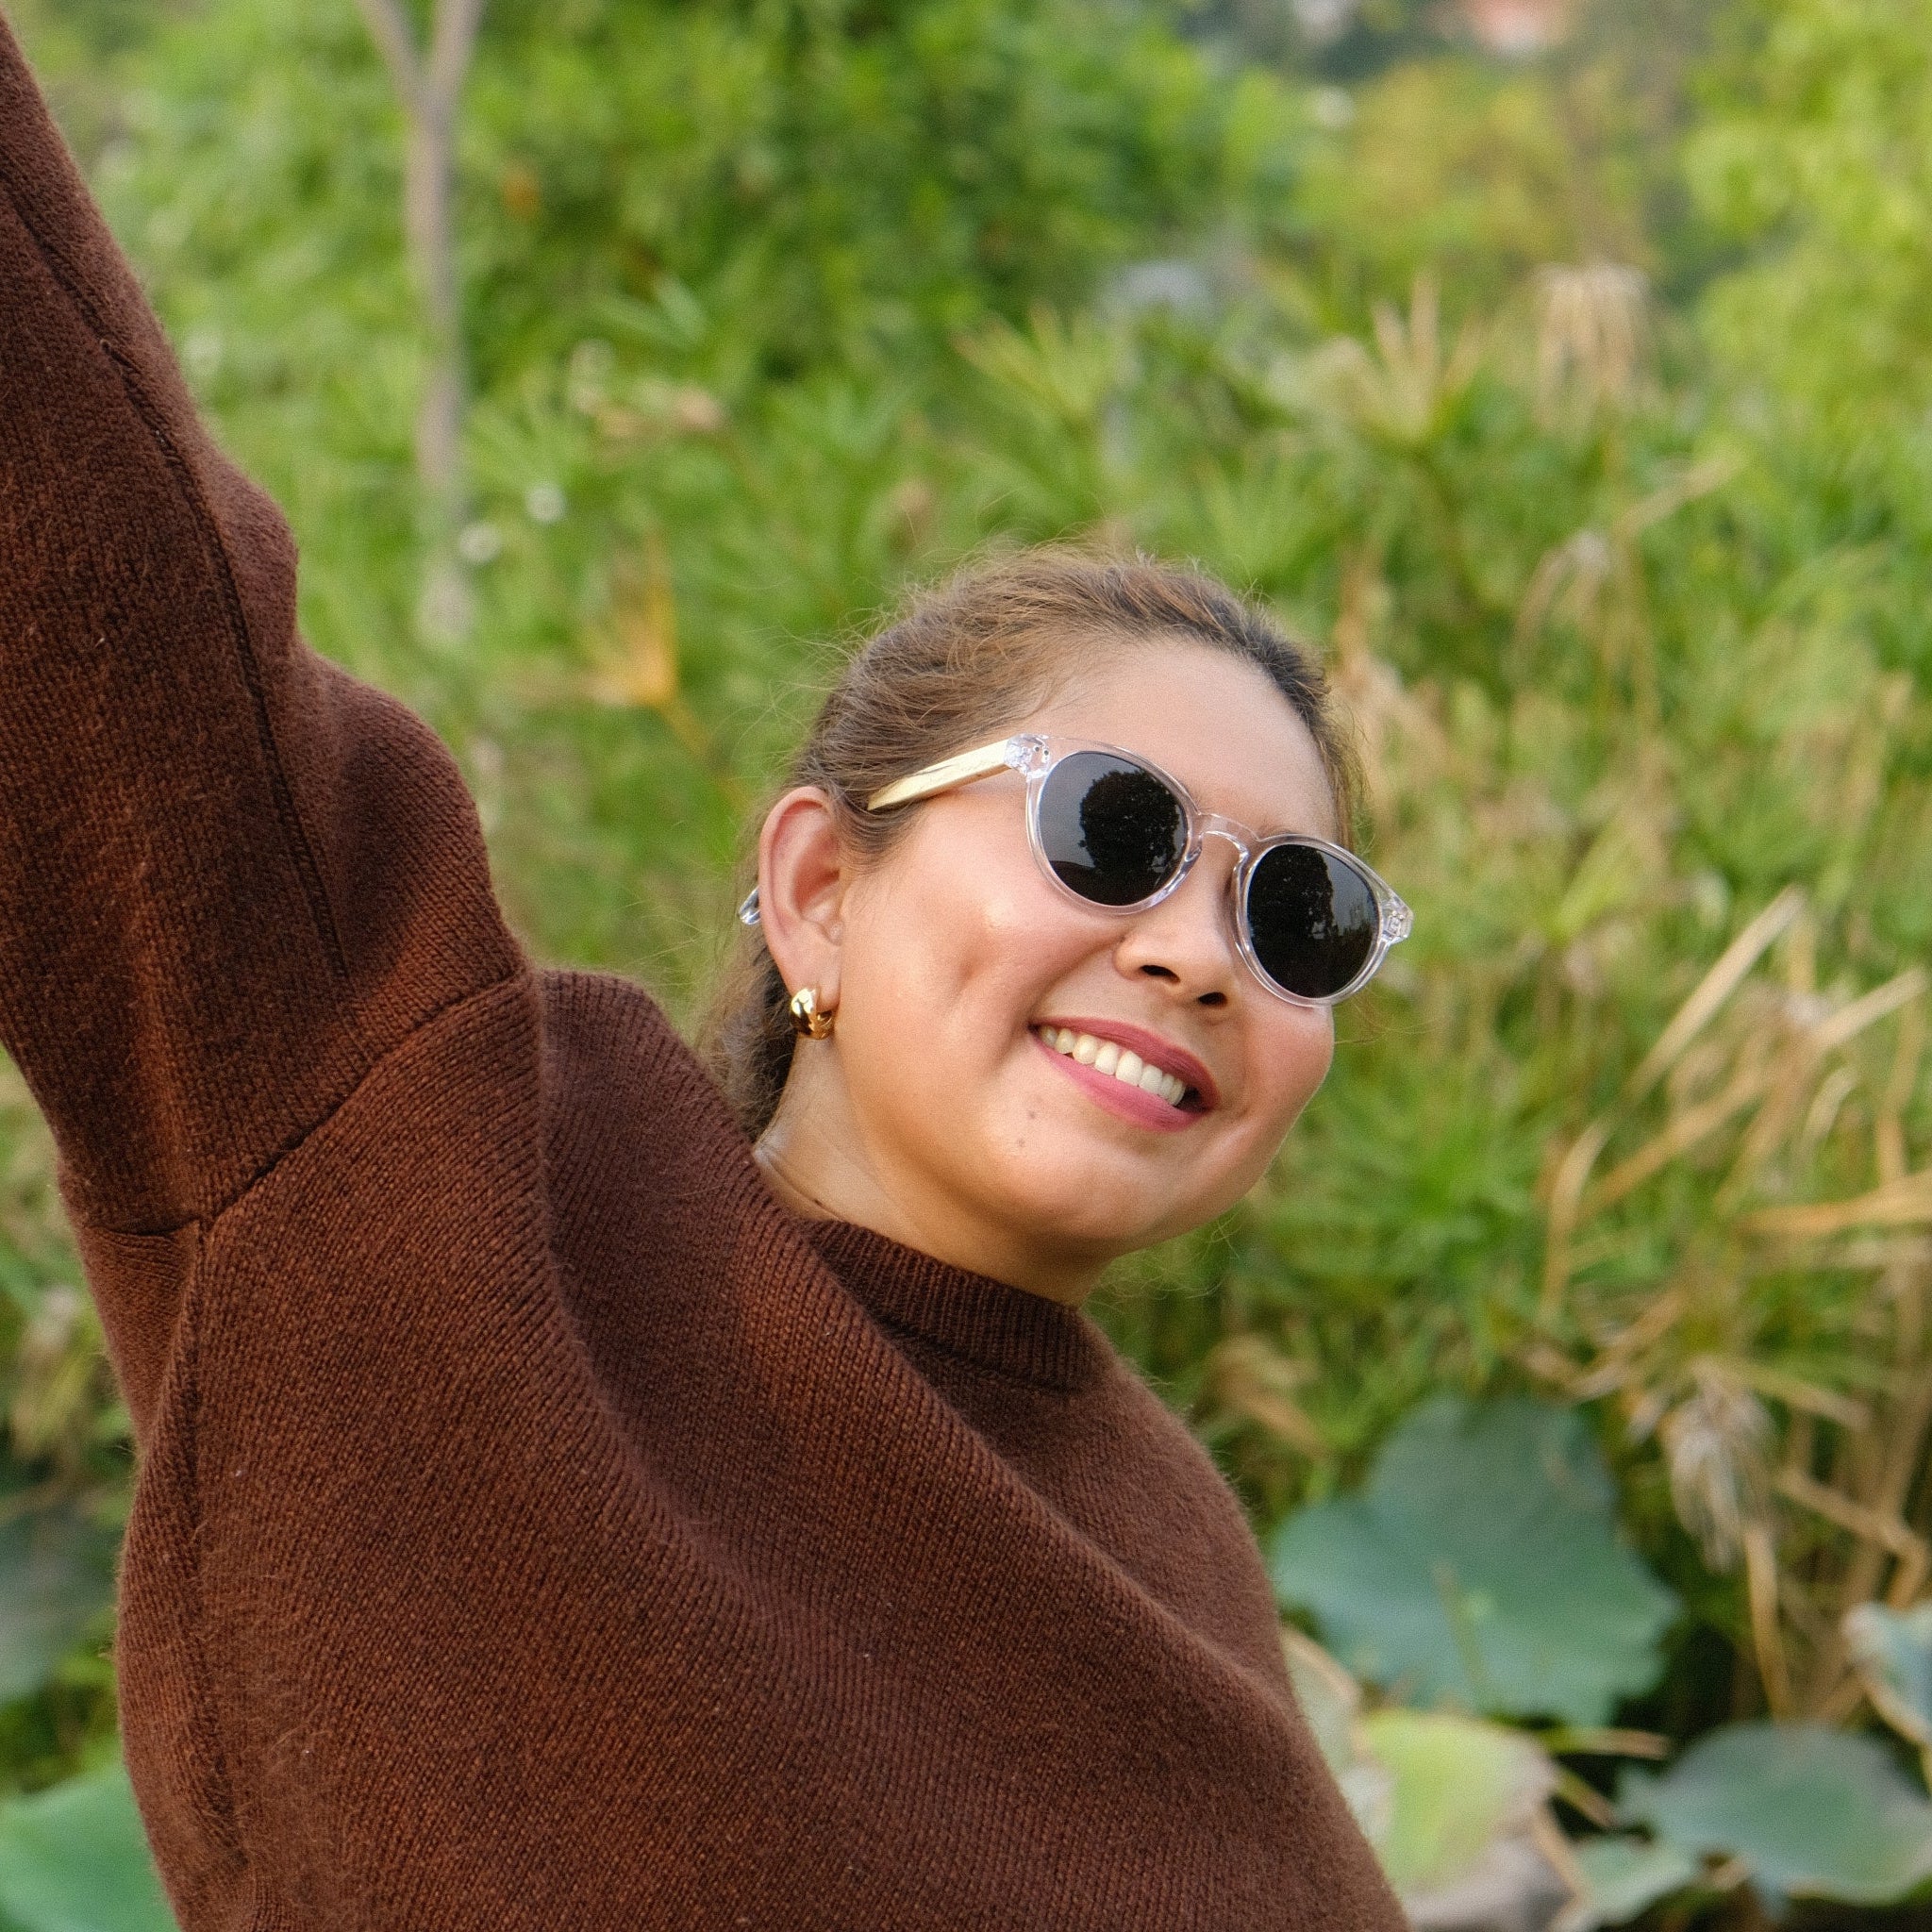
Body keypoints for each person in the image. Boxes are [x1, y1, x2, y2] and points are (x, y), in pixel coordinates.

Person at [0, 21, 1410, 1929]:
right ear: (822, 885)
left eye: (1296, 914)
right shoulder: (436, 1200)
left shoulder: (1173, 1555)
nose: (1192, 948)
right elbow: (108, 580)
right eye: (1114, 830)